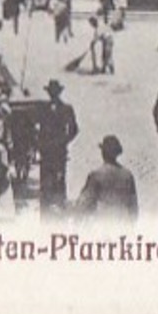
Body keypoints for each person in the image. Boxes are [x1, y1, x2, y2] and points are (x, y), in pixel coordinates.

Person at [75, 135, 139, 221]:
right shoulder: (128, 175)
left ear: (103, 153)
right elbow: (133, 208)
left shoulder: (96, 175)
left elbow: (84, 205)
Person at [38, 80, 79, 212]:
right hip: (45, 150)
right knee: (45, 179)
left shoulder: (67, 109)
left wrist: (64, 141)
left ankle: (60, 206)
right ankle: (45, 209)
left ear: (59, 93)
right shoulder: (42, 108)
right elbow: (34, 126)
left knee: (60, 178)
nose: (53, 95)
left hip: (59, 150)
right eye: (51, 93)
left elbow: (74, 129)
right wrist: (39, 142)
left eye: (54, 92)